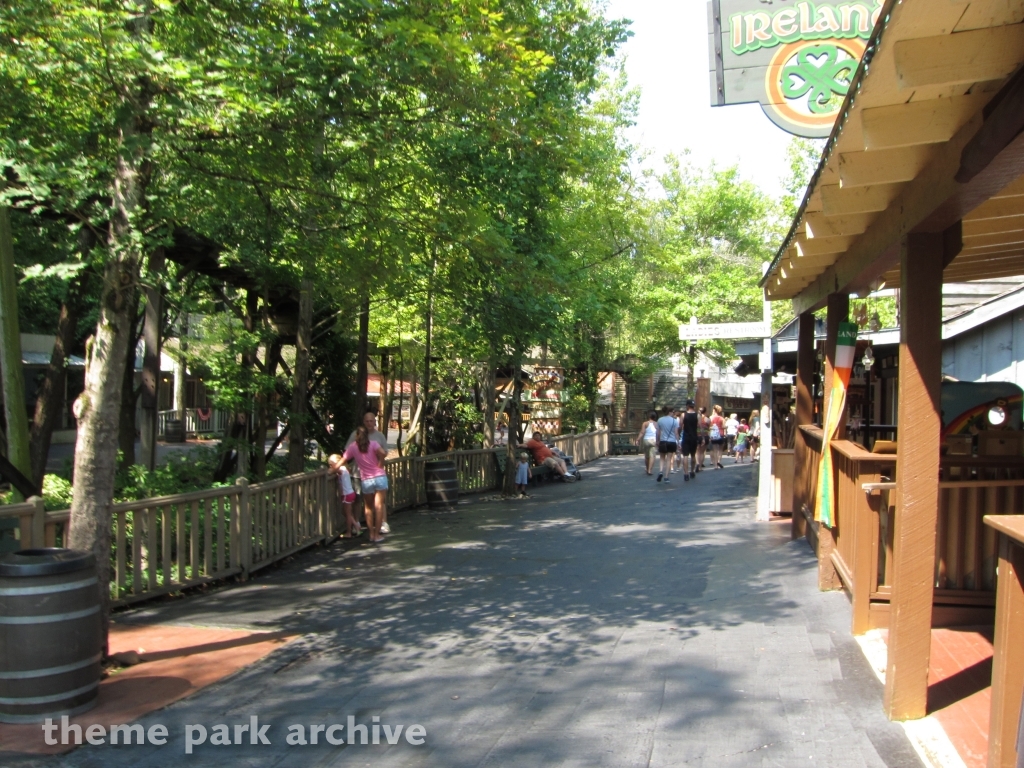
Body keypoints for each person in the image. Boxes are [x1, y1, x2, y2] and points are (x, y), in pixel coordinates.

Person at [342, 426, 389, 543]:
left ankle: (371, 534)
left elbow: (343, 459)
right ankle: (377, 535)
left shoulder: (353, 447)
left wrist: (333, 469)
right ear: (367, 435)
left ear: (356, 436)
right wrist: (380, 464)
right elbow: (383, 453)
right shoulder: (373, 444)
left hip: (366, 479)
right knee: (378, 506)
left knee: (368, 508)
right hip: (379, 477)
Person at [327, 453, 361, 538]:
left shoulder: (341, 468)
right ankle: (356, 526)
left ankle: (349, 532)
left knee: (348, 514)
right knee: (345, 512)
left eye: (331, 464)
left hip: (347, 494)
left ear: (336, 463)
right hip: (349, 493)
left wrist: (329, 470)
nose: (330, 466)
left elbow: (332, 471)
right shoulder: (345, 468)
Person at [656, 406, 677, 483]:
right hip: (672, 441)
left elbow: (658, 432)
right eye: (672, 412)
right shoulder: (675, 421)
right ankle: (666, 477)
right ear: (669, 412)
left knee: (662, 458)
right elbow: (676, 433)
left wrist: (657, 440)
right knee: (669, 459)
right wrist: (677, 441)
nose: (673, 413)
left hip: (663, 441)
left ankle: (661, 471)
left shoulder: (660, 420)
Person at [680, 400, 699, 480]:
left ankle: (686, 473)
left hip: (686, 436)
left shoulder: (683, 415)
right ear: (693, 406)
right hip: (694, 437)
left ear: (687, 406)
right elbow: (700, 427)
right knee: (693, 455)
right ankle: (692, 471)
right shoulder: (698, 415)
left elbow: (680, 426)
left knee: (685, 455)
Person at [636, 411, 659, 475]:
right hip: (653, 440)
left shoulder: (645, 423)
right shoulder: (657, 424)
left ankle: (647, 468)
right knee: (652, 456)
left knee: (647, 456)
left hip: (646, 440)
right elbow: (658, 433)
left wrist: (638, 439)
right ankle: (650, 470)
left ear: (648, 416)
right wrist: (658, 441)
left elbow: (642, 432)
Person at [709, 404, 727, 469]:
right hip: (721, 434)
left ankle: (715, 465)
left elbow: (709, 427)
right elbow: (723, 426)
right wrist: (726, 427)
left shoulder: (711, 418)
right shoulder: (722, 418)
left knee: (715, 450)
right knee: (720, 450)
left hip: (714, 436)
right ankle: (719, 461)